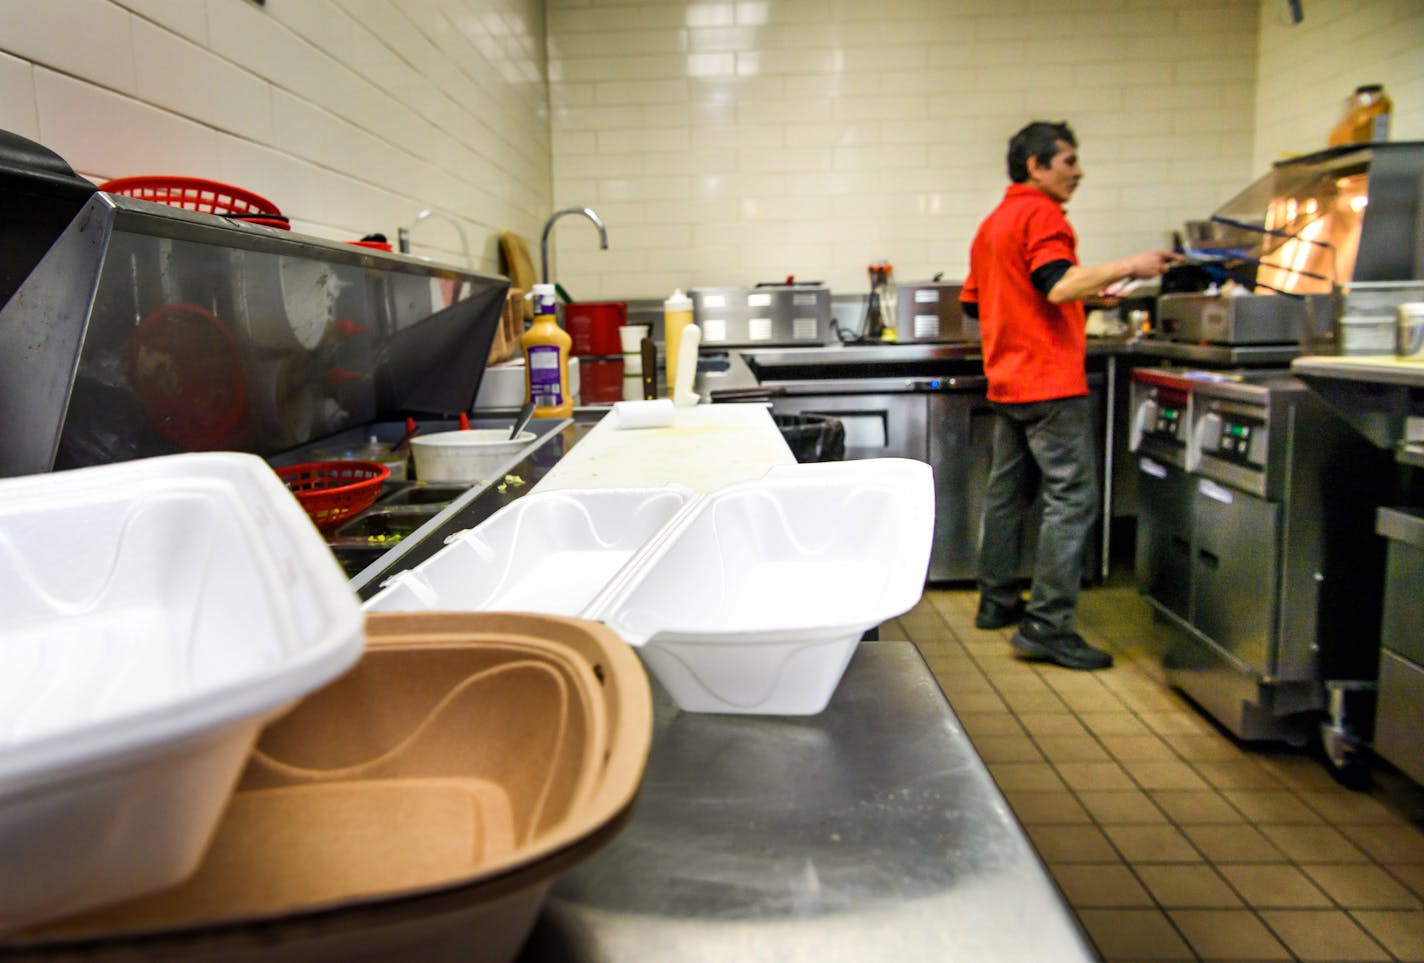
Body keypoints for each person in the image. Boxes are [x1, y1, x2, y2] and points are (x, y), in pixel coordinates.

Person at [960, 121, 1179, 670]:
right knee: (1073, 497)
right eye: (1068, 161)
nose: (1078, 172)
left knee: (1007, 494)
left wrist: (1087, 300)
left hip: (1008, 379)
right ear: (1035, 166)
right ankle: (1048, 626)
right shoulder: (1042, 214)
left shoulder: (993, 223)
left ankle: (997, 601)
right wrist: (1132, 265)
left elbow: (975, 304)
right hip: (1049, 382)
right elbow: (1056, 283)